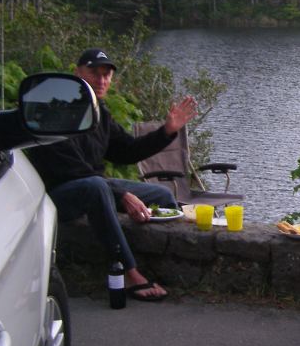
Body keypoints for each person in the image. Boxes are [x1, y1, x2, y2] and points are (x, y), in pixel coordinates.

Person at [28, 48, 197, 301]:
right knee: (96, 186)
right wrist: (121, 195)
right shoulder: (57, 113)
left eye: (106, 75)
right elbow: (72, 170)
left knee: (161, 195)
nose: (101, 80)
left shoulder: (99, 113)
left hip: (96, 185)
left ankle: (156, 260)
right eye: (94, 73)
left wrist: (167, 130)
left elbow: (127, 151)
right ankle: (128, 271)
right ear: (77, 73)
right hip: (59, 195)